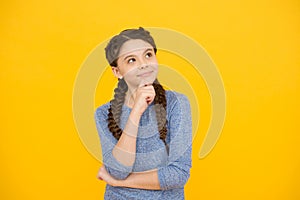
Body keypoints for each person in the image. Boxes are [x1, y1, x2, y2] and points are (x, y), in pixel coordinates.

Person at [94, 27, 192, 200]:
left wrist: (118, 183)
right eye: (131, 60)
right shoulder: (103, 113)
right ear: (117, 72)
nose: (144, 64)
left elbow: (178, 174)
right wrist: (136, 112)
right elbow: (117, 171)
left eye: (148, 55)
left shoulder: (177, 103)